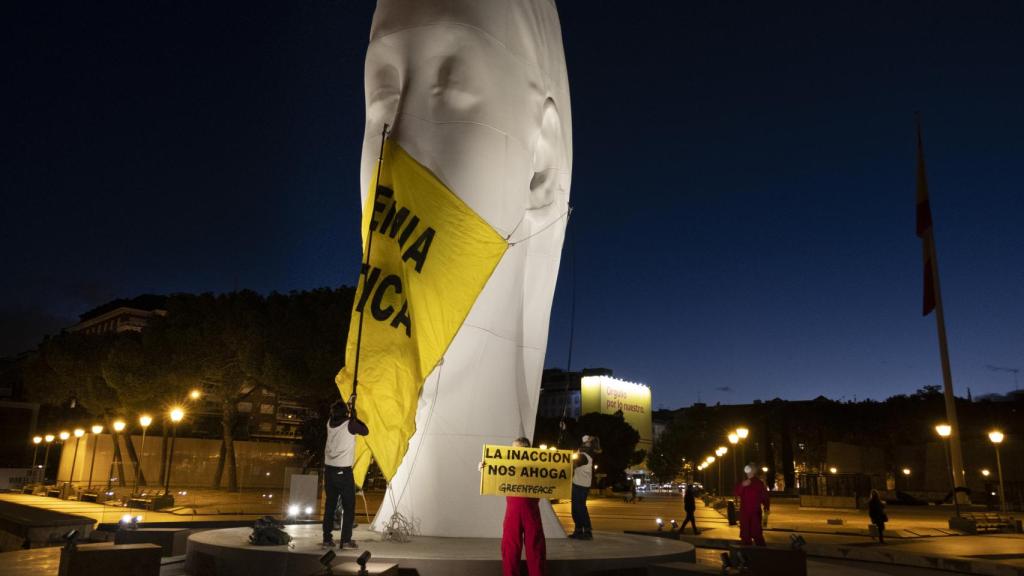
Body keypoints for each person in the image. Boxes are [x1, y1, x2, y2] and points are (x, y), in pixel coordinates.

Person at [483, 437, 546, 576]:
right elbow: (493, 474)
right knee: (510, 548)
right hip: (514, 512)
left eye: (516, 450)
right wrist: (484, 468)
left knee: (535, 548)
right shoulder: (507, 467)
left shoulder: (538, 467)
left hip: (531, 511)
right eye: (512, 450)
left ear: (527, 451)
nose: (514, 452)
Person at [322, 398, 368, 549]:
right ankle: (346, 540)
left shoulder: (329, 422)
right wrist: (353, 414)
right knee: (349, 507)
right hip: (344, 472)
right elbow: (365, 430)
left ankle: (327, 539)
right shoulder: (350, 424)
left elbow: (340, 417)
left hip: (329, 471)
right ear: (346, 413)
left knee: (330, 505)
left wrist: (348, 409)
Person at [734, 463, 770, 546]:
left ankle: (760, 553)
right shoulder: (745, 483)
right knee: (747, 535)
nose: (748, 472)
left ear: (753, 471)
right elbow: (737, 493)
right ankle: (751, 553)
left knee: (756, 534)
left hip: (754, 513)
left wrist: (766, 507)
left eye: (750, 469)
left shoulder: (758, 483)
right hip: (747, 512)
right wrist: (742, 485)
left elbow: (764, 497)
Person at [569, 435, 594, 540]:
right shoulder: (583, 454)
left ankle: (587, 531)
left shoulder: (584, 455)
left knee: (580, 508)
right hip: (578, 484)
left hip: (581, 486)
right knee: (576, 508)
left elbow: (574, 463)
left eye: (588, 442)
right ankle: (578, 530)